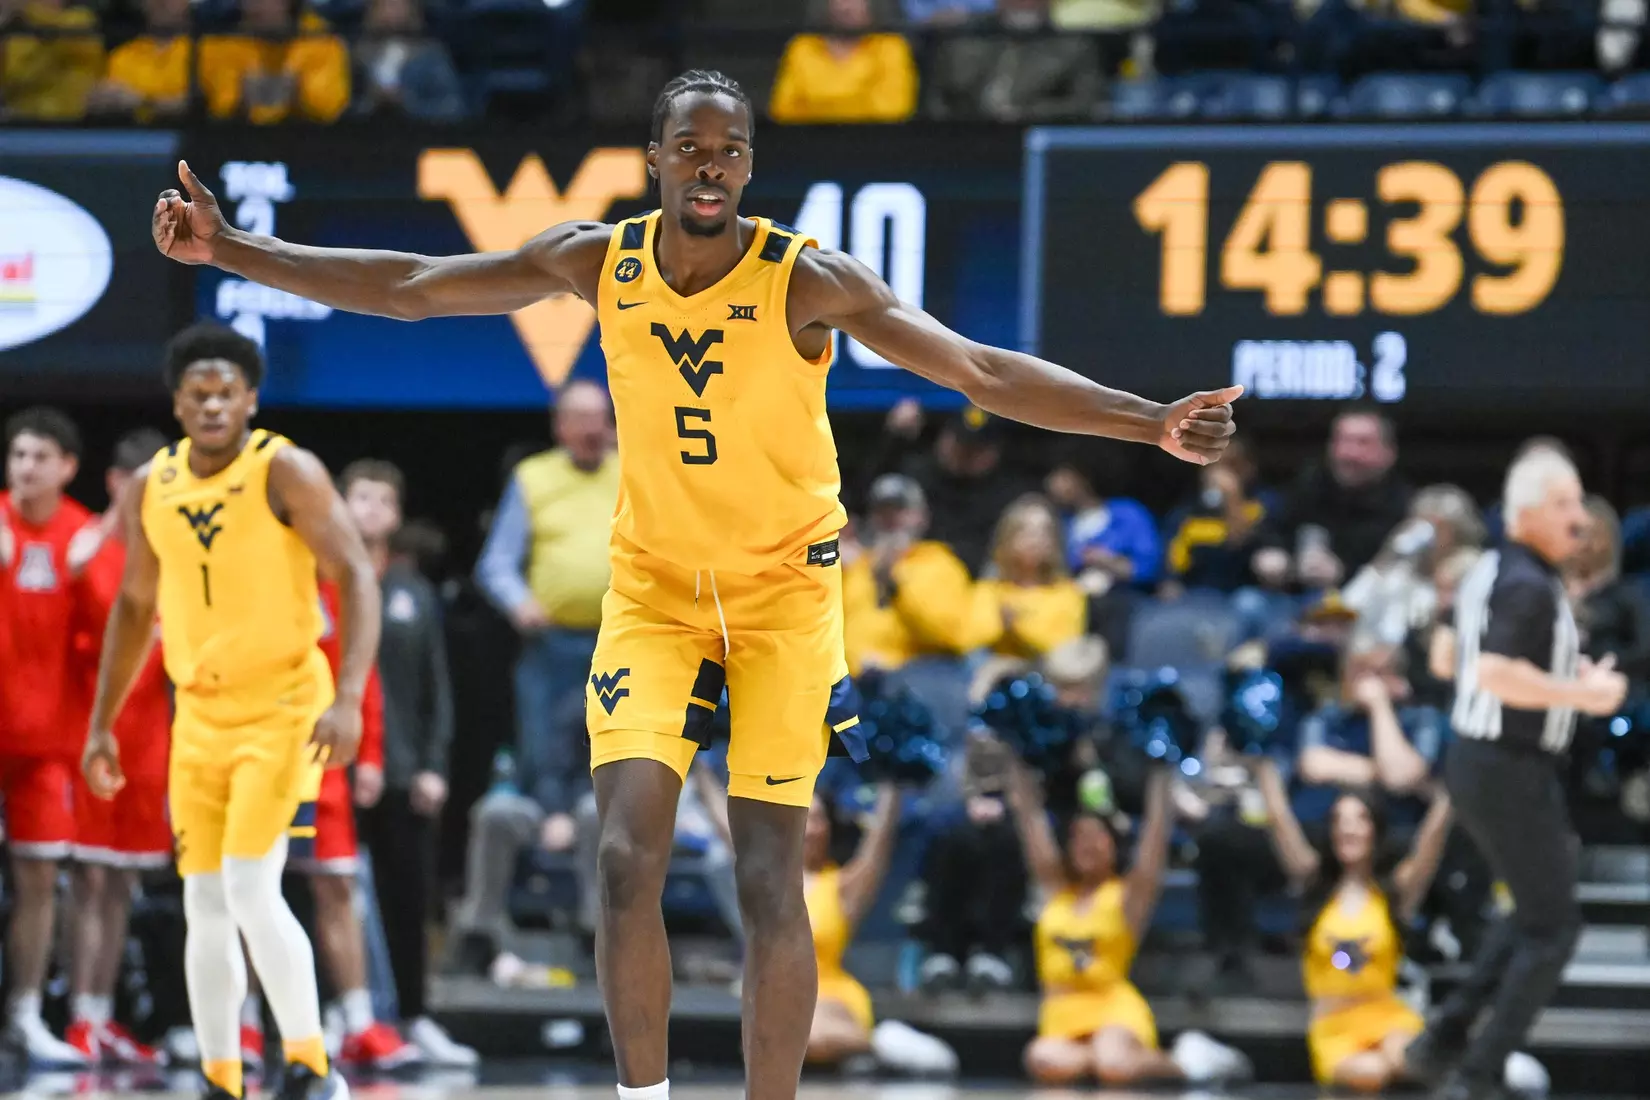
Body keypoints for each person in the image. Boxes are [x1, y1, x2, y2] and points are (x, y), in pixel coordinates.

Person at [147, 68, 1241, 1100]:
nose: (709, 167)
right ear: (655, 160)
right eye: (689, 148)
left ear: (749, 165)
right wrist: (235, 248)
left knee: (773, 877)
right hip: (657, 595)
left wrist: (1146, 420)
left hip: (785, 598)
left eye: (728, 151)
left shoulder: (808, 278)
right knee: (626, 858)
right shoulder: (599, 259)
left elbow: (979, 370)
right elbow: (412, 288)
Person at [82, 323, 376, 1100]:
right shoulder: (153, 483)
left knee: (250, 886)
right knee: (203, 899)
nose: (212, 403)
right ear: (178, 402)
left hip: (283, 705)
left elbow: (355, 574)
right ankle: (221, 1075)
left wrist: (348, 697)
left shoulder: (285, 469)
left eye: (226, 391)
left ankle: (313, 1066)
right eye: (197, 392)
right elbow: (135, 605)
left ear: (250, 398)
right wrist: (100, 725)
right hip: (200, 715)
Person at [1405, 448, 1627, 1100]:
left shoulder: (1489, 570)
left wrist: (1564, 679)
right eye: (1564, 504)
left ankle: (1441, 1037)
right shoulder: (1528, 583)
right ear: (1525, 512)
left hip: (1481, 761)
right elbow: (1493, 674)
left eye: (1579, 502)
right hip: (1507, 764)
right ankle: (1477, 1074)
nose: (1579, 518)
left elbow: (1446, 659)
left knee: (1536, 912)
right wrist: (1585, 696)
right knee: (1556, 928)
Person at [341, 460, 475, 1066]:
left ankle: (415, 1016)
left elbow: (434, 689)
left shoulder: (411, 593)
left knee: (407, 897)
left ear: (395, 516)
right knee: (328, 897)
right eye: (358, 498)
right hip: (333, 769)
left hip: (402, 771)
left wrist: (433, 766)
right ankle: (335, 1016)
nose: (368, 510)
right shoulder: (320, 583)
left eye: (381, 500)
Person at [1009, 759, 1249, 1085]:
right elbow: (1030, 821)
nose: (1087, 844)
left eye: (1097, 836)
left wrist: (1161, 773)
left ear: (1114, 844)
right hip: (1060, 1012)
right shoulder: (1056, 892)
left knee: (1114, 1063)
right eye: (1079, 836)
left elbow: (1154, 837)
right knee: (1042, 1058)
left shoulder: (1125, 896)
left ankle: (1190, 1063)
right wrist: (1017, 759)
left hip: (1112, 1008)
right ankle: (1104, 1063)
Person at [476, 380, 618, 859]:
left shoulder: (633, 473)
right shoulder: (533, 477)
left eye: (599, 417)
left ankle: (603, 828)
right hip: (550, 640)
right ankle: (551, 829)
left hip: (619, 641)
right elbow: (496, 563)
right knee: (544, 741)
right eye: (578, 418)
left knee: (612, 739)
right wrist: (519, 602)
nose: (590, 428)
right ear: (559, 426)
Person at [66, 428, 173, 1067]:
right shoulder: (88, 546)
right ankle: (79, 1015)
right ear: (115, 484)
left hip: (150, 742)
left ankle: (101, 1017)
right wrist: (110, 525)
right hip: (89, 736)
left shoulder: (172, 550)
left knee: (120, 886)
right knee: (89, 880)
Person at [1251, 759, 1456, 1091]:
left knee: (1407, 1061)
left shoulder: (1394, 892)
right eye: (1340, 820)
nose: (1349, 829)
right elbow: (1280, 821)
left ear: (1375, 827)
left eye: (1360, 819)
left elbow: (1430, 842)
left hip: (1387, 1017)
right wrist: (1263, 769)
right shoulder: (1314, 885)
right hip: (1334, 1027)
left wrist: (1452, 791)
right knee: (1370, 1075)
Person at [281, 577, 419, 1070]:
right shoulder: (257, 564)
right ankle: (248, 1025)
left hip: (322, 762)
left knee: (337, 887)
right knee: (252, 892)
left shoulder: (339, 584)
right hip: (261, 753)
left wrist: (371, 754)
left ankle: (358, 1021)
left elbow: (362, 676)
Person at [0, 407, 101, 1065]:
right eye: (16, 455)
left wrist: (86, 569)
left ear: (67, 467)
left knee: (40, 880)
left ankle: (26, 1013)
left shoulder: (84, 534)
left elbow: (111, 633)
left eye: (39, 456)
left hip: (50, 745)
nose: (24, 467)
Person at [803, 784, 958, 1075]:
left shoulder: (840, 887)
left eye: (818, 818)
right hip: (775, 992)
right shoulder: (765, 883)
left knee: (802, 1036)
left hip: (829, 992)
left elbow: (878, 845)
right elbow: (728, 828)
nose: (810, 829)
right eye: (802, 816)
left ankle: (880, 1043)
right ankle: (873, 1045)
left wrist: (894, 780)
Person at [1252, 407, 1411, 592]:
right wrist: (1272, 552)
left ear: (1388, 453)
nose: (1348, 453)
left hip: (1362, 605)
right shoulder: (1309, 484)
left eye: (1363, 443)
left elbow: (1402, 574)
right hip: (1293, 598)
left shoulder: (1405, 506)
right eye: (1342, 441)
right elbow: (1270, 530)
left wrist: (1344, 572)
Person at [197, 0, 350, 124]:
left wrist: (297, 96)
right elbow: (220, 108)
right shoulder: (221, 43)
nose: (253, 7)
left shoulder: (322, 39)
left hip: (310, 144)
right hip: (237, 143)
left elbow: (328, 108)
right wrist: (242, 100)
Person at [769, 0, 918, 123]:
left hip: (875, 146)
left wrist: (819, 105)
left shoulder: (892, 47)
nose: (846, 7)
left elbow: (894, 110)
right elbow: (783, 111)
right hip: (807, 147)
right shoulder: (802, 47)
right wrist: (856, 100)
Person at [978, 495, 1088, 659]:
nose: (1036, 539)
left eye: (1044, 531)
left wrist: (1016, 627)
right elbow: (970, 637)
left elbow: (1064, 650)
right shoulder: (987, 590)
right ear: (1007, 537)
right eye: (1025, 530)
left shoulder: (1068, 593)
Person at [86, 0, 192, 119]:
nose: (161, 2)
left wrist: (143, 102)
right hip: (131, 135)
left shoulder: (208, 49)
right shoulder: (122, 55)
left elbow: (201, 106)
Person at [0, 0, 104, 120]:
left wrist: (22, 9)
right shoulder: (16, 34)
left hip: (72, 123)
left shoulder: (80, 19)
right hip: (23, 122)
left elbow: (62, 38)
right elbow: (14, 79)